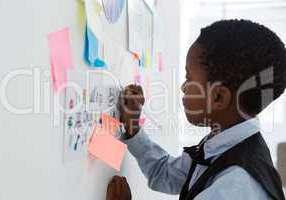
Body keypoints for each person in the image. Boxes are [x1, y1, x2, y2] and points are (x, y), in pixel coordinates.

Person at [106, 19, 286, 200]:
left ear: (218, 98)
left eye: (189, 77)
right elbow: (166, 175)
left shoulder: (235, 187)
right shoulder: (223, 141)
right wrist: (133, 126)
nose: (183, 87)